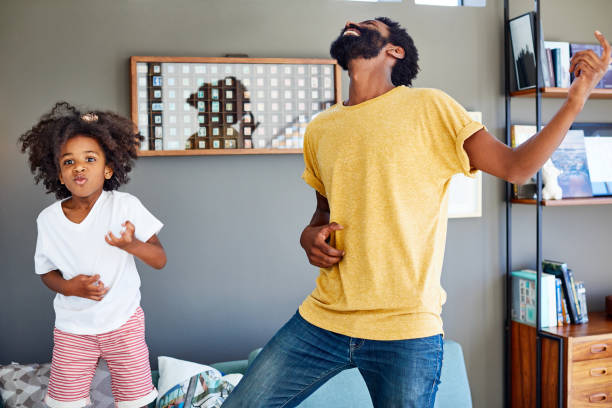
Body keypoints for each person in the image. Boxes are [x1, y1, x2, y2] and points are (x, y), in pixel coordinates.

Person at [224, 17, 611, 408]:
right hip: (324, 319)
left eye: (368, 23)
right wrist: (308, 236)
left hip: (406, 328)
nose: (350, 22)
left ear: (395, 51)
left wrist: (576, 99)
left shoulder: (430, 106)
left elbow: (516, 168)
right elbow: (324, 210)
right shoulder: (321, 128)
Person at [19, 102, 167, 408]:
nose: (79, 167)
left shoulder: (124, 206)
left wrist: (131, 245)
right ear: (59, 175)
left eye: (90, 158)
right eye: (69, 162)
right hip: (73, 329)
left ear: (108, 168)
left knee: (137, 401)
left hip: (124, 324)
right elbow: (46, 272)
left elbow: (159, 259)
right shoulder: (48, 219)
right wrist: (70, 287)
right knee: (65, 403)